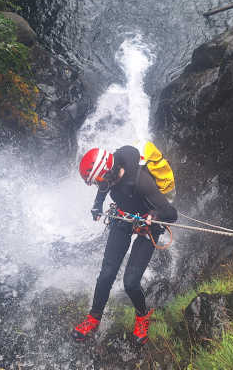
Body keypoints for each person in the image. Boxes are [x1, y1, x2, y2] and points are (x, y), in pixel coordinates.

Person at [72, 145, 178, 345]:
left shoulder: (141, 182)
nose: (98, 185)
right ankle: (94, 318)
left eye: (98, 181)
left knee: (130, 282)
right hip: (123, 217)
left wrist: (154, 216)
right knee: (106, 273)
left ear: (108, 173)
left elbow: (172, 214)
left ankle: (142, 315)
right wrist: (97, 204)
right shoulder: (109, 173)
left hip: (149, 226)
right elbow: (104, 187)